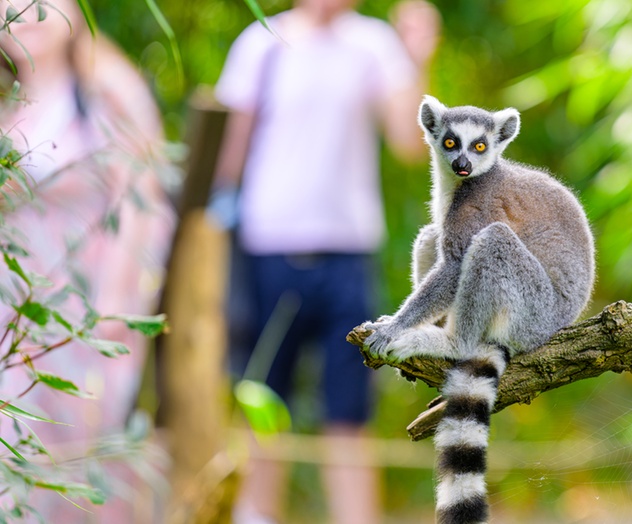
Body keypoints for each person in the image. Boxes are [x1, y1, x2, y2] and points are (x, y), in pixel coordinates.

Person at [212, 0, 440, 522]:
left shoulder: (374, 43)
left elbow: (409, 143)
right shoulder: (260, 42)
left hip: (347, 254)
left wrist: (419, 55)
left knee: (349, 414)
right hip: (265, 250)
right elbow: (230, 151)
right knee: (261, 405)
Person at [0, 1, 174, 521]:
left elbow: (145, 202)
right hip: (13, 312)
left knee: (77, 449)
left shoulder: (105, 89)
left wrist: (114, 312)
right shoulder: (12, 99)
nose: (25, 11)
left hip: (78, 312)